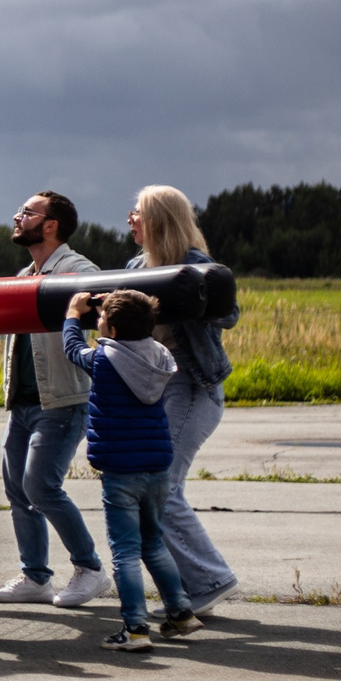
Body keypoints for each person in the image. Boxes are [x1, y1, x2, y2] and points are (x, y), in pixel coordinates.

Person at [0, 191, 112, 610]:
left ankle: (90, 569)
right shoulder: (24, 274)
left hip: (61, 399)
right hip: (21, 401)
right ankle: (36, 577)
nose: (17, 217)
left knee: (41, 485)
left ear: (51, 224)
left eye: (26, 212)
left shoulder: (78, 272)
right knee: (17, 488)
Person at [62, 289, 200, 651]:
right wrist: (120, 303)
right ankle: (181, 612)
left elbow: (72, 349)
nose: (98, 322)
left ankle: (136, 627)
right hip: (157, 469)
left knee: (125, 551)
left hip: (120, 472)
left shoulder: (105, 360)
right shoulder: (159, 356)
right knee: (153, 544)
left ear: (115, 330)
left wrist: (72, 315)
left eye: (103, 319)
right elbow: (129, 327)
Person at [125, 185, 241, 616]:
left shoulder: (196, 264)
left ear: (158, 218)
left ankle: (211, 580)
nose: (130, 221)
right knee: (158, 489)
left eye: (136, 213)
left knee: (159, 486)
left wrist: (190, 294)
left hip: (192, 386)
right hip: (154, 387)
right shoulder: (137, 266)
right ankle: (190, 592)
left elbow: (229, 314)